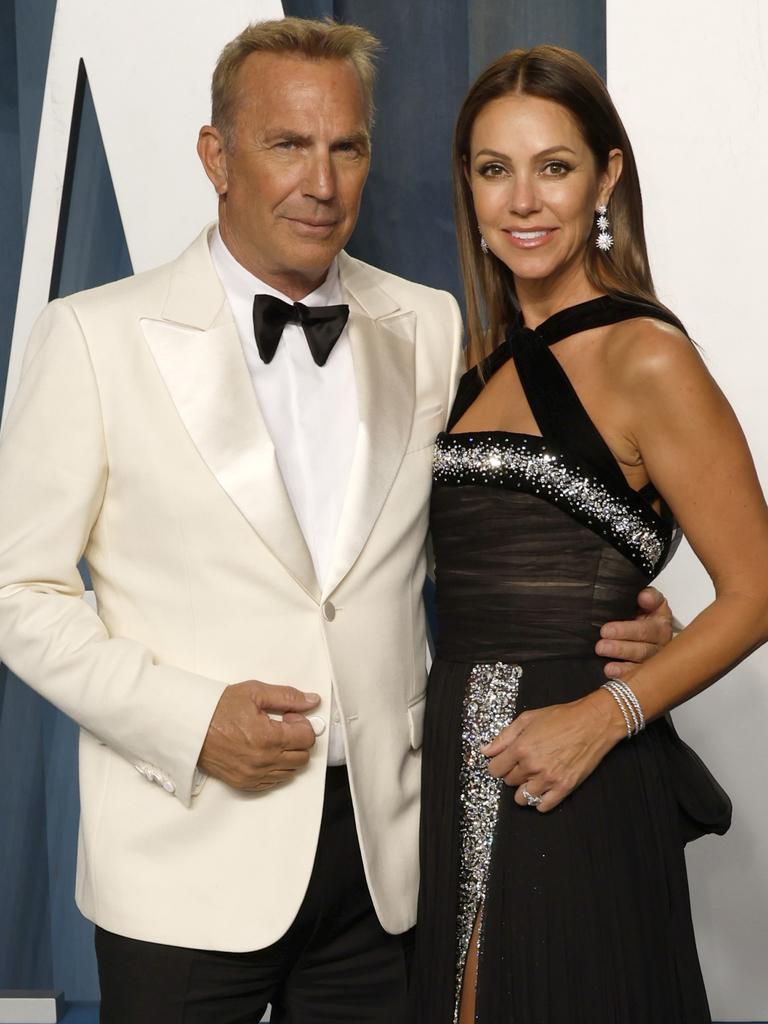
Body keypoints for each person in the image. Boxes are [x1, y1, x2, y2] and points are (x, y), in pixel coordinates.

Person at [0, 21, 673, 1024]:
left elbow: (484, 533)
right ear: (216, 155)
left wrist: (612, 604)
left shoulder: (430, 323)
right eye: (287, 145)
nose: (321, 181)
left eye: (346, 146)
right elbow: (19, 594)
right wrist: (190, 720)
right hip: (183, 856)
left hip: (391, 858)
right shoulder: (92, 338)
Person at [409, 42, 768, 1024]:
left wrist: (608, 714)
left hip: (579, 767)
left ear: (606, 175)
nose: (523, 200)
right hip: (462, 756)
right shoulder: (478, 359)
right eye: (495, 170)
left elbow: (760, 588)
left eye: (553, 167)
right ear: (469, 189)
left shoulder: (647, 355)